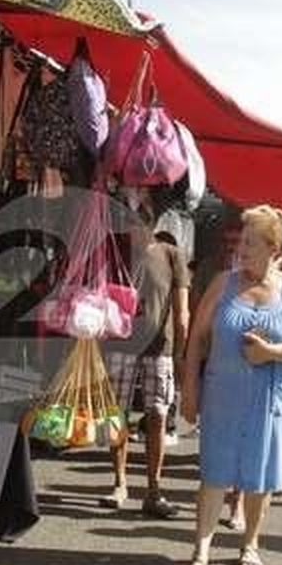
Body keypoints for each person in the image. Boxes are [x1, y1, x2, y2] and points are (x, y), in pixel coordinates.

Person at [178, 205, 282, 565]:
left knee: (259, 475)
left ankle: (250, 543)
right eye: (242, 241)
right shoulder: (222, 283)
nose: (241, 249)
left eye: (251, 243)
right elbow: (196, 340)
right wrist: (189, 389)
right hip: (222, 397)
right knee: (213, 474)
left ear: (274, 248)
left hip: (269, 402)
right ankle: (200, 553)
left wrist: (272, 352)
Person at [102, 214, 189, 518]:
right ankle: (120, 483)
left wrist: (180, 354)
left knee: (157, 416)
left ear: (150, 225)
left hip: (158, 348)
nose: (134, 228)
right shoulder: (115, 252)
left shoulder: (172, 254)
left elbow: (182, 311)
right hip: (120, 344)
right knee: (119, 415)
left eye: (140, 222)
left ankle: (153, 489)